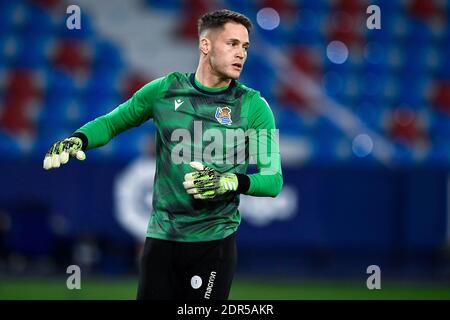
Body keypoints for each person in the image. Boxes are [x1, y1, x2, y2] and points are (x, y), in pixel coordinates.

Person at [43, 9, 283, 300]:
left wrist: (232, 181)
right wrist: (78, 139)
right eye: (232, 44)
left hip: (214, 243)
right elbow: (111, 122)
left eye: (245, 47)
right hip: (161, 239)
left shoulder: (254, 107)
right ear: (205, 45)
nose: (241, 54)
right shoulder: (165, 91)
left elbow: (273, 180)